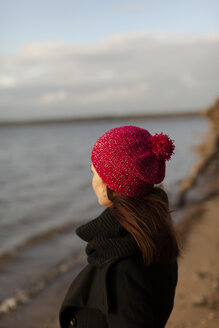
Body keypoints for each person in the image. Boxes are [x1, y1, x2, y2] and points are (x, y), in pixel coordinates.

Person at [59, 125, 180, 328]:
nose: (93, 181)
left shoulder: (123, 264)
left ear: (110, 182)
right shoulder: (155, 233)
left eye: (94, 172)